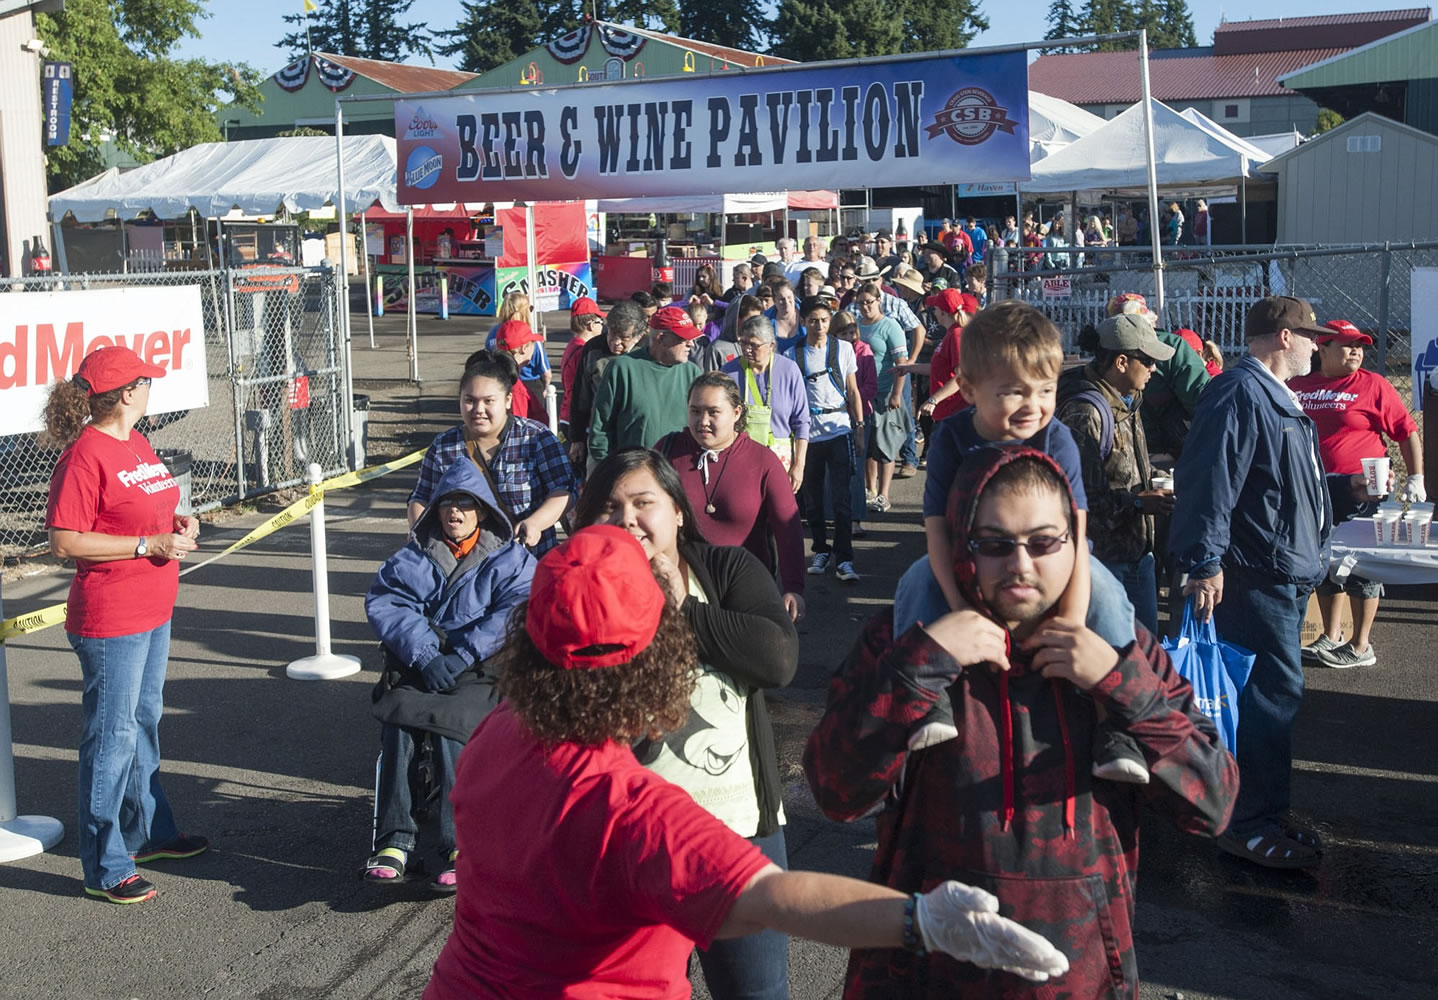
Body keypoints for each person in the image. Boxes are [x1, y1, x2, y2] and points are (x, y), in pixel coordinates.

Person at [422, 524, 1069, 999]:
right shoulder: (631, 811)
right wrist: (923, 920)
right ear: (658, 657)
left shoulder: (497, 735)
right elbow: (773, 895)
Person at [804, 448, 1238, 999]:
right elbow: (834, 791)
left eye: (1043, 542)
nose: (1021, 564)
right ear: (963, 545)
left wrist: (1120, 683)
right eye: (994, 544)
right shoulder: (903, 640)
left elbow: (1214, 804)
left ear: (1074, 545)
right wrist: (921, 667)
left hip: (1077, 978)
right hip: (920, 979)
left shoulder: (1122, 653)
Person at [1170, 296, 1381, 869]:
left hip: (1278, 572)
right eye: (1312, 335)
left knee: (1272, 698)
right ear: (1285, 337)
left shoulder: (1271, 395)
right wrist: (1204, 562)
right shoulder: (1241, 391)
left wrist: (1345, 495)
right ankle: (1248, 824)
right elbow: (1208, 481)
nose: (1319, 345)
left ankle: (1263, 812)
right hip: (1254, 575)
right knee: (1266, 700)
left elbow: (1282, 488)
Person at [894, 301, 1143, 780]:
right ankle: (923, 696)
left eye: (1045, 390)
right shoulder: (951, 438)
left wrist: (1068, 628)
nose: (1034, 405)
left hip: (1055, 552)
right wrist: (959, 609)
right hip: (972, 553)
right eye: (1013, 392)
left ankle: (1117, 718)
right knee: (916, 583)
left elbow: (1077, 534)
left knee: (1110, 595)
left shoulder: (1057, 438)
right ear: (968, 389)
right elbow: (936, 532)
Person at [43, 346, 205, 904]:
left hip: (153, 609)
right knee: (109, 739)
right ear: (127, 392)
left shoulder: (134, 441)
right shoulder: (85, 455)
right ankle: (105, 864)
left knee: (142, 724)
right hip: (111, 619)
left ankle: (148, 834)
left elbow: (148, 507)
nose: (151, 387)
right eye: (146, 380)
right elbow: (65, 541)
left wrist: (177, 522)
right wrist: (147, 543)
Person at [363, 463, 535, 890]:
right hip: (427, 663)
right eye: (447, 504)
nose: (454, 513)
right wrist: (424, 655)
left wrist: (462, 653)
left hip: (481, 667)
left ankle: (461, 844)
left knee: (448, 728)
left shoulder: (511, 559)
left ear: (484, 511)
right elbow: (389, 602)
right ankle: (394, 840)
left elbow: (515, 610)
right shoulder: (415, 554)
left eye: (464, 504)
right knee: (398, 721)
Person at [1289, 319, 1423, 668]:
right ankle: (1330, 637)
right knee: (1324, 560)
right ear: (1322, 346)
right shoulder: (1299, 384)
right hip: (1313, 486)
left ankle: (1361, 645)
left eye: (1360, 346)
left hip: (1364, 488)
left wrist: (1416, 477)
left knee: (1361, 564)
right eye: (1347, 344)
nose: (1355, 351)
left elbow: (1406, 431)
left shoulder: (1372, 385)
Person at [1058, 315, 1177, 634]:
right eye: (1149, 360)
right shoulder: (1085, 413)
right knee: (1112, 665)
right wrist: (1138, 504)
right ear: (1122, 361)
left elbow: (1123, 466)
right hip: (1103, 563)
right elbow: (1077, 501)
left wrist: (1156, 479)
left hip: (1137, 554)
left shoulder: (1129, 400)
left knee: (1145, 659)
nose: (1154, 369)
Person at [654, 373, 807, 621]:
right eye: (695, 411)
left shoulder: (762, 461)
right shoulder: (666, 451)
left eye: (713, 412)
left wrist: (793, 588)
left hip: (745, 594)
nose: (702, 421)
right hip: (680, 592)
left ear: (736, 413)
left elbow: (787, 528)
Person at [409, 352, 574, 554]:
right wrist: (420, 534)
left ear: (507, 400)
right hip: (463, 566)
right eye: (470, 400)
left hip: (529, 562)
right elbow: (421, 497)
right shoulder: (444, 447)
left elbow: (563, 490)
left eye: (488, 401)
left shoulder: (537, 438)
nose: (478, 409)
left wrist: (535, 523)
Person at [788, 295, 864, 582]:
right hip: (809, 434)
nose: (819, 325)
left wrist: (859, 428)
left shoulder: (843, 349)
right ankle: (820, 549)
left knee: (842, 498)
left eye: (823, 319)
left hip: (840, 428)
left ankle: (844, 557)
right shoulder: (792, 354)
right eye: (813, 320)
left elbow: (853, 391)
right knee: (812, 497)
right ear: (804, 322)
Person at [588, 305, 703, 468]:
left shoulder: (693, 373)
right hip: (633, 473)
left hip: (678, 474)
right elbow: (601, 427)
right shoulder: (622, 368)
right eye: (683, 338)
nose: (691, 344)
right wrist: (610, 470)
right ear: (661, 338)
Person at [1106, 293, 1212, 459]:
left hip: (1128, 452)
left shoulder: (1102, 352)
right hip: (1173, 452)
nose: (1153, 367)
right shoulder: (1174, 346)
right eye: (1148, 361)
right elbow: (1204, 402)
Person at [723, 314, 809, 485]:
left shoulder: (789, 370)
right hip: (739, 461)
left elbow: (802, 422)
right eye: (743, 343)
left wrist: (799, 465)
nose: (747, 349)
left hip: (780, 462)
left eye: (754, 345)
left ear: (771, 345)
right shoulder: (728, 372)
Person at [567, 299, 647, 469]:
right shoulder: (592, 349)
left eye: (624, 338)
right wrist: (577, 438)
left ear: (639, 336)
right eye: (611, 334)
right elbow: (581, 395)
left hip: (638, 441)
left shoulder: (647, 352)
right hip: (600, 439)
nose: (615, 342)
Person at [855, 283, 910, 514]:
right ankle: (870, 488)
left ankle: (884, 494)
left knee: (885, 445)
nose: (865, 306)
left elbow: (902, 363)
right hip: (862, 395)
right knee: (867, 445)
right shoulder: (856, 326)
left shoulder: (890, 326)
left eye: (869, 301)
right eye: (861, 302)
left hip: (886, 393)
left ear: (879, 300)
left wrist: (897, 394)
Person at [915, 289, 979, 424]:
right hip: (947, 412)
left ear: (943, 313)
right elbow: (940, 370)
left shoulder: (957, 334)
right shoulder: (951, 334)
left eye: (936, 309)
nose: (934, 313)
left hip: (954, 412)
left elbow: (961, 375)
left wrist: (934, 400)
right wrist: (909, 368)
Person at [559, 297, 605, 439]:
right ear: (591, 325)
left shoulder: (573, 345)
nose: (602, 326)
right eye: (600, 322)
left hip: (567, 414)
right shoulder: (583, 351)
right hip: (579, 420)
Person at [486, 291, 551, 389]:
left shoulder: (493, 333)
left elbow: (488, 359)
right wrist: (546, 389)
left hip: (500, 382)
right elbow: (546, 373)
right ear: (525, 312)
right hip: (529, 384)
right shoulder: (530, 337)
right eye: (530, 309)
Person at [491, 320, 549, 424]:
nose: (535, 347)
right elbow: (517, 428)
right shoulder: (515, 388)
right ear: (524, 348)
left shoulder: (496, 376)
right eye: (533, 344)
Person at [764, 279, 805, 351]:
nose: (786, 302)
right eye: (782, 299)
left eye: (789, 297)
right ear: (774, 300)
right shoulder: (766, 319)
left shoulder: (806, 313)